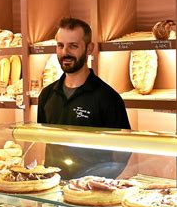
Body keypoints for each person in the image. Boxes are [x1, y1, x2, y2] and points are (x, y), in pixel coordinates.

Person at [37, 17, 130, 179]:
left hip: (89, 190)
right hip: (52, 187)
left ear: (89, 49)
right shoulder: (46, 95)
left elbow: (124, 150)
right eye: (60, 46)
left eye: (73, 46)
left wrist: (99, 183)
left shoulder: (108, 98)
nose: (65, 52)